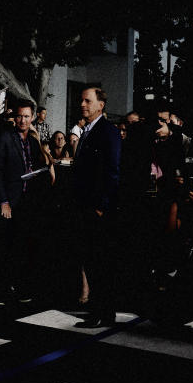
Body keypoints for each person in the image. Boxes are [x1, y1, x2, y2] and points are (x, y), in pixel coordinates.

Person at [0, 100, 52, 303]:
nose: (23, 120)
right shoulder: (5, 138)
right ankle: (0, 290)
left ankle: (20, 287)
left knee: (22, 246)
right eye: (19, 116)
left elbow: (38, 169)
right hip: (10, 202)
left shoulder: (33, 142)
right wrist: (3, 201)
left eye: (26, 116)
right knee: (4, 247)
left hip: (27, 203)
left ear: (33, 117)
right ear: (14, 118)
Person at [71, 87, 121, 327]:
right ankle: (100, 311)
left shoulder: (107, 131)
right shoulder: (87, 130)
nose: (83, 104)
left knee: (100, 261)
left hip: (97, 210)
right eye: (81, 100)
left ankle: (102, 312)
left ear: (101, 105)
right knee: (90, 260)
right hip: (85, 207)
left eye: (88, 101)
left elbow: (112, 170)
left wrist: (102, 206)